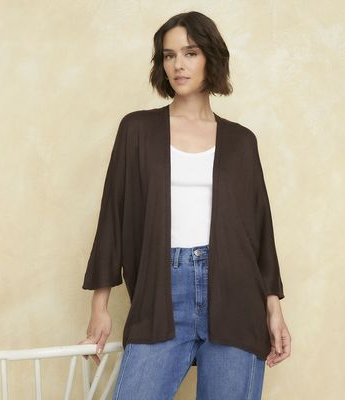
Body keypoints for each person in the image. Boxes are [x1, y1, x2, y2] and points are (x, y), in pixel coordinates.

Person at [79, 11, 291, 400]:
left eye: (190, 53)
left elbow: (260, 230)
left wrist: (274, 309)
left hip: (236, 293)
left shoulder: (241, 142)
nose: (178, 65)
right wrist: (100, 305)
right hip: (161, 291)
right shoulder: (137, 130)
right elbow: (113, 217)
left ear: (211, 57)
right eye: (169, 55)